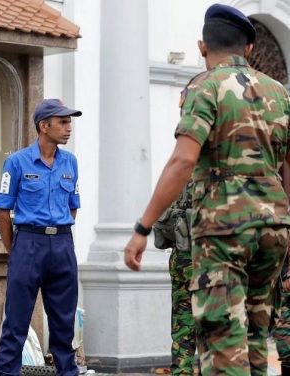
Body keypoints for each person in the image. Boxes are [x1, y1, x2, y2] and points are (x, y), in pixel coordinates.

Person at [124, 4, 290, 375]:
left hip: (225, 230)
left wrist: (142, 228)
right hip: (274, 232)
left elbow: (183, 161)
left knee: (222, 345)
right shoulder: (278, 92)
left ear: (202, 47)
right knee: (254, 340)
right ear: (248, 49)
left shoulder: (205, 86)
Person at [0, 98, 82, 376]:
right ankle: (8, 372)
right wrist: (16, 249)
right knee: (16, 321)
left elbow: (72, 206)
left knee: (64, 322)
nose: (69, 128)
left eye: (70, 121)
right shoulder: (16, 162)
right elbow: (2, 211)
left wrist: (58, 234)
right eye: (63, 122)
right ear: (44, 126)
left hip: (63, 244)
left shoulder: (71, 162)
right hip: (28, 243)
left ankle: (67, 372)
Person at [153, 186, 197, 375]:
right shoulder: (221, 180)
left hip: (183, 265)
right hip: (212, 268)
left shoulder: (181, 179)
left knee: (183, 333)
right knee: (215, 332)